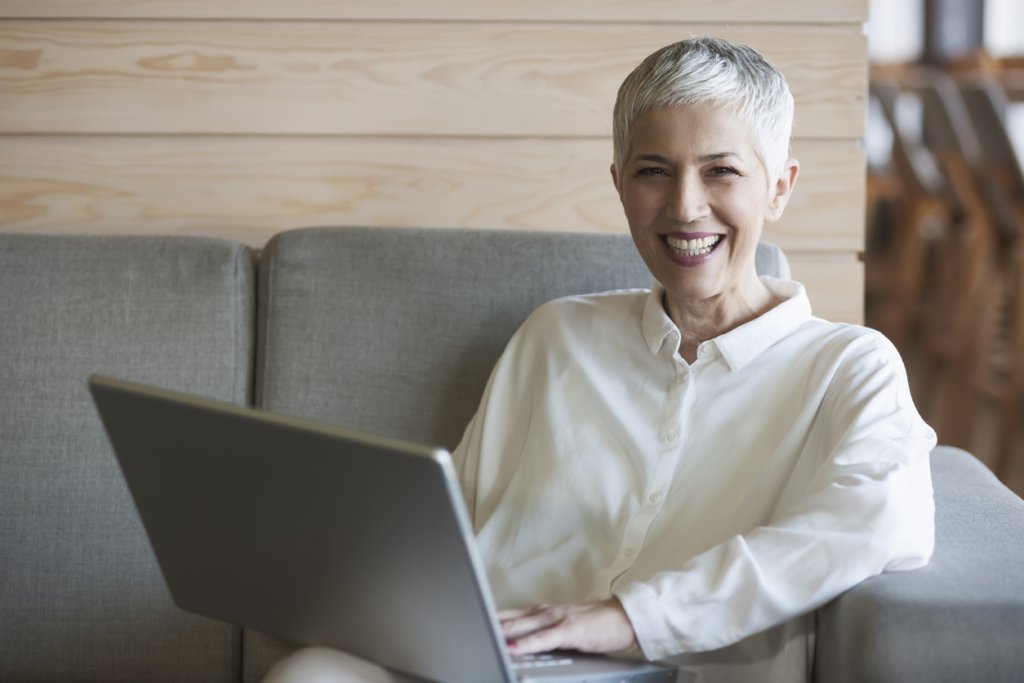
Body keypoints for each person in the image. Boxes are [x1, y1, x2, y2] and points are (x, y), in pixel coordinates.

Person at [265, 35, 935, 683]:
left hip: (683, 671)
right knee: (309, 672)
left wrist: (628, 618)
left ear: (779, 188)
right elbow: (453, 537)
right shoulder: (554, 335)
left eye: (721, 171)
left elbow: (881, 518)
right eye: (654, 171)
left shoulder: (848, 365)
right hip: (486, 661)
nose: (685, 205)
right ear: (620, 185)